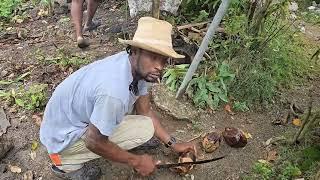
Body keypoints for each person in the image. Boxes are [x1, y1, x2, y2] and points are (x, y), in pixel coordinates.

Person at [39, 17, 196, 180]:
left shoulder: (135, 66)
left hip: (68, 120)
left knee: (145, 127)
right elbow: (93, 141)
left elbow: (145, 110)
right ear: (135, 50)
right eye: (153, 57)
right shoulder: (114, 91)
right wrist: (136, 161)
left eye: (163, 60)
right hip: (61, 137)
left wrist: (174, 143)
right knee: (137, 129)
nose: (159, 66)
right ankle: (64, 164)